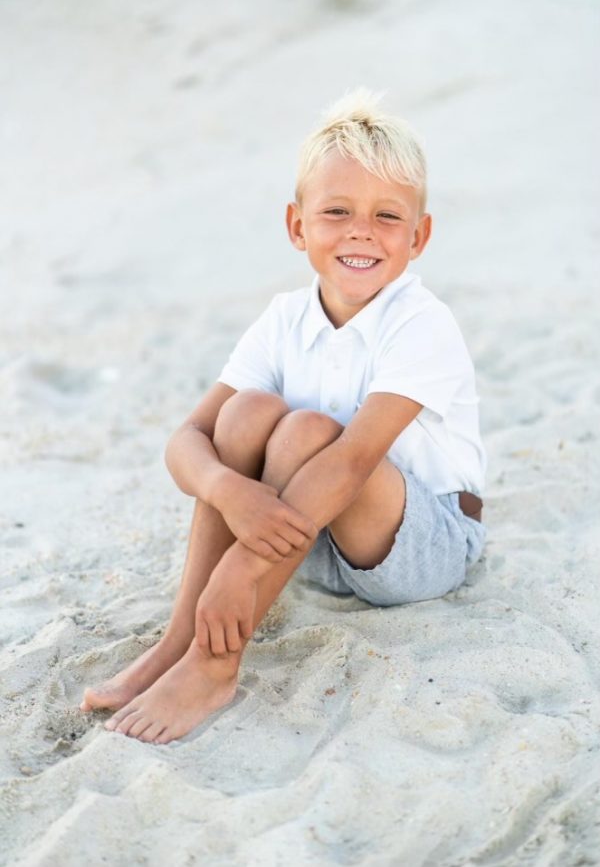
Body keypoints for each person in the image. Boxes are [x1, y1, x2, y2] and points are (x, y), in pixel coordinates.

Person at [80, 88, 486, 744]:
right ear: (297, 226)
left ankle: (214, 666)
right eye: (336, 211)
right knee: (244, 416)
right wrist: (228, 491)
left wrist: (239, 569)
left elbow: (352, 461)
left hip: (421, 545)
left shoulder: (422, 323)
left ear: (420, 235)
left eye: (387, 216)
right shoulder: (283, 320)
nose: (361, 230)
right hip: (306, 534)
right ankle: (178, 641)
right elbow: (187, 440)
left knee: (308, 432)